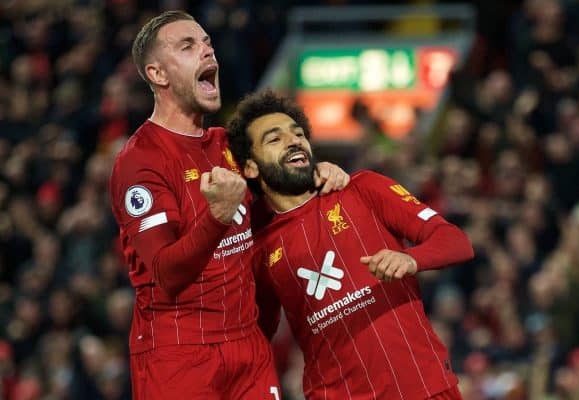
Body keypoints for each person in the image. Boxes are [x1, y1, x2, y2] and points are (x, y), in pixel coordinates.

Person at [109, 10, 348, 400]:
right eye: (188, 46)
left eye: (208, 44)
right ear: (158, 75)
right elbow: (166, 274)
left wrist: (320, 175)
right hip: (179, 354)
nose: (208, 53)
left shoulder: (227, 144)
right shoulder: (141, 161)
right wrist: (217, 217)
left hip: (247, 346)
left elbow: (281, 201)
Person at [227, 89, 475, 400]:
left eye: (299, 133)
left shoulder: (364, 188)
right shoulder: (258, 247)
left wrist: (411, 259)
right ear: (250, 167)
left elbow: (456, 241)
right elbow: (257, 334)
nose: (293, 141)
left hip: (425, 387)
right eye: (274, 139)